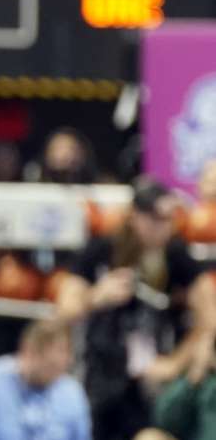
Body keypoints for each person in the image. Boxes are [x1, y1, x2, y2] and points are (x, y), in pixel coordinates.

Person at [57, 178, 216, 440]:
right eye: (155, 219)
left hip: (151, 385)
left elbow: (209, 316)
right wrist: (97, 296)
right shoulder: (100, 250)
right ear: (134, 216)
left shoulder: (176, 253)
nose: (163, 227)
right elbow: (64, 309)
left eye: (168, 219)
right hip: (100, 378)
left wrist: (176, 362)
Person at [0, 319, 91, 440]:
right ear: (28, 351)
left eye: (59, 369)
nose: (54, 376)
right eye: (49, 365)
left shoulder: (71, 391)